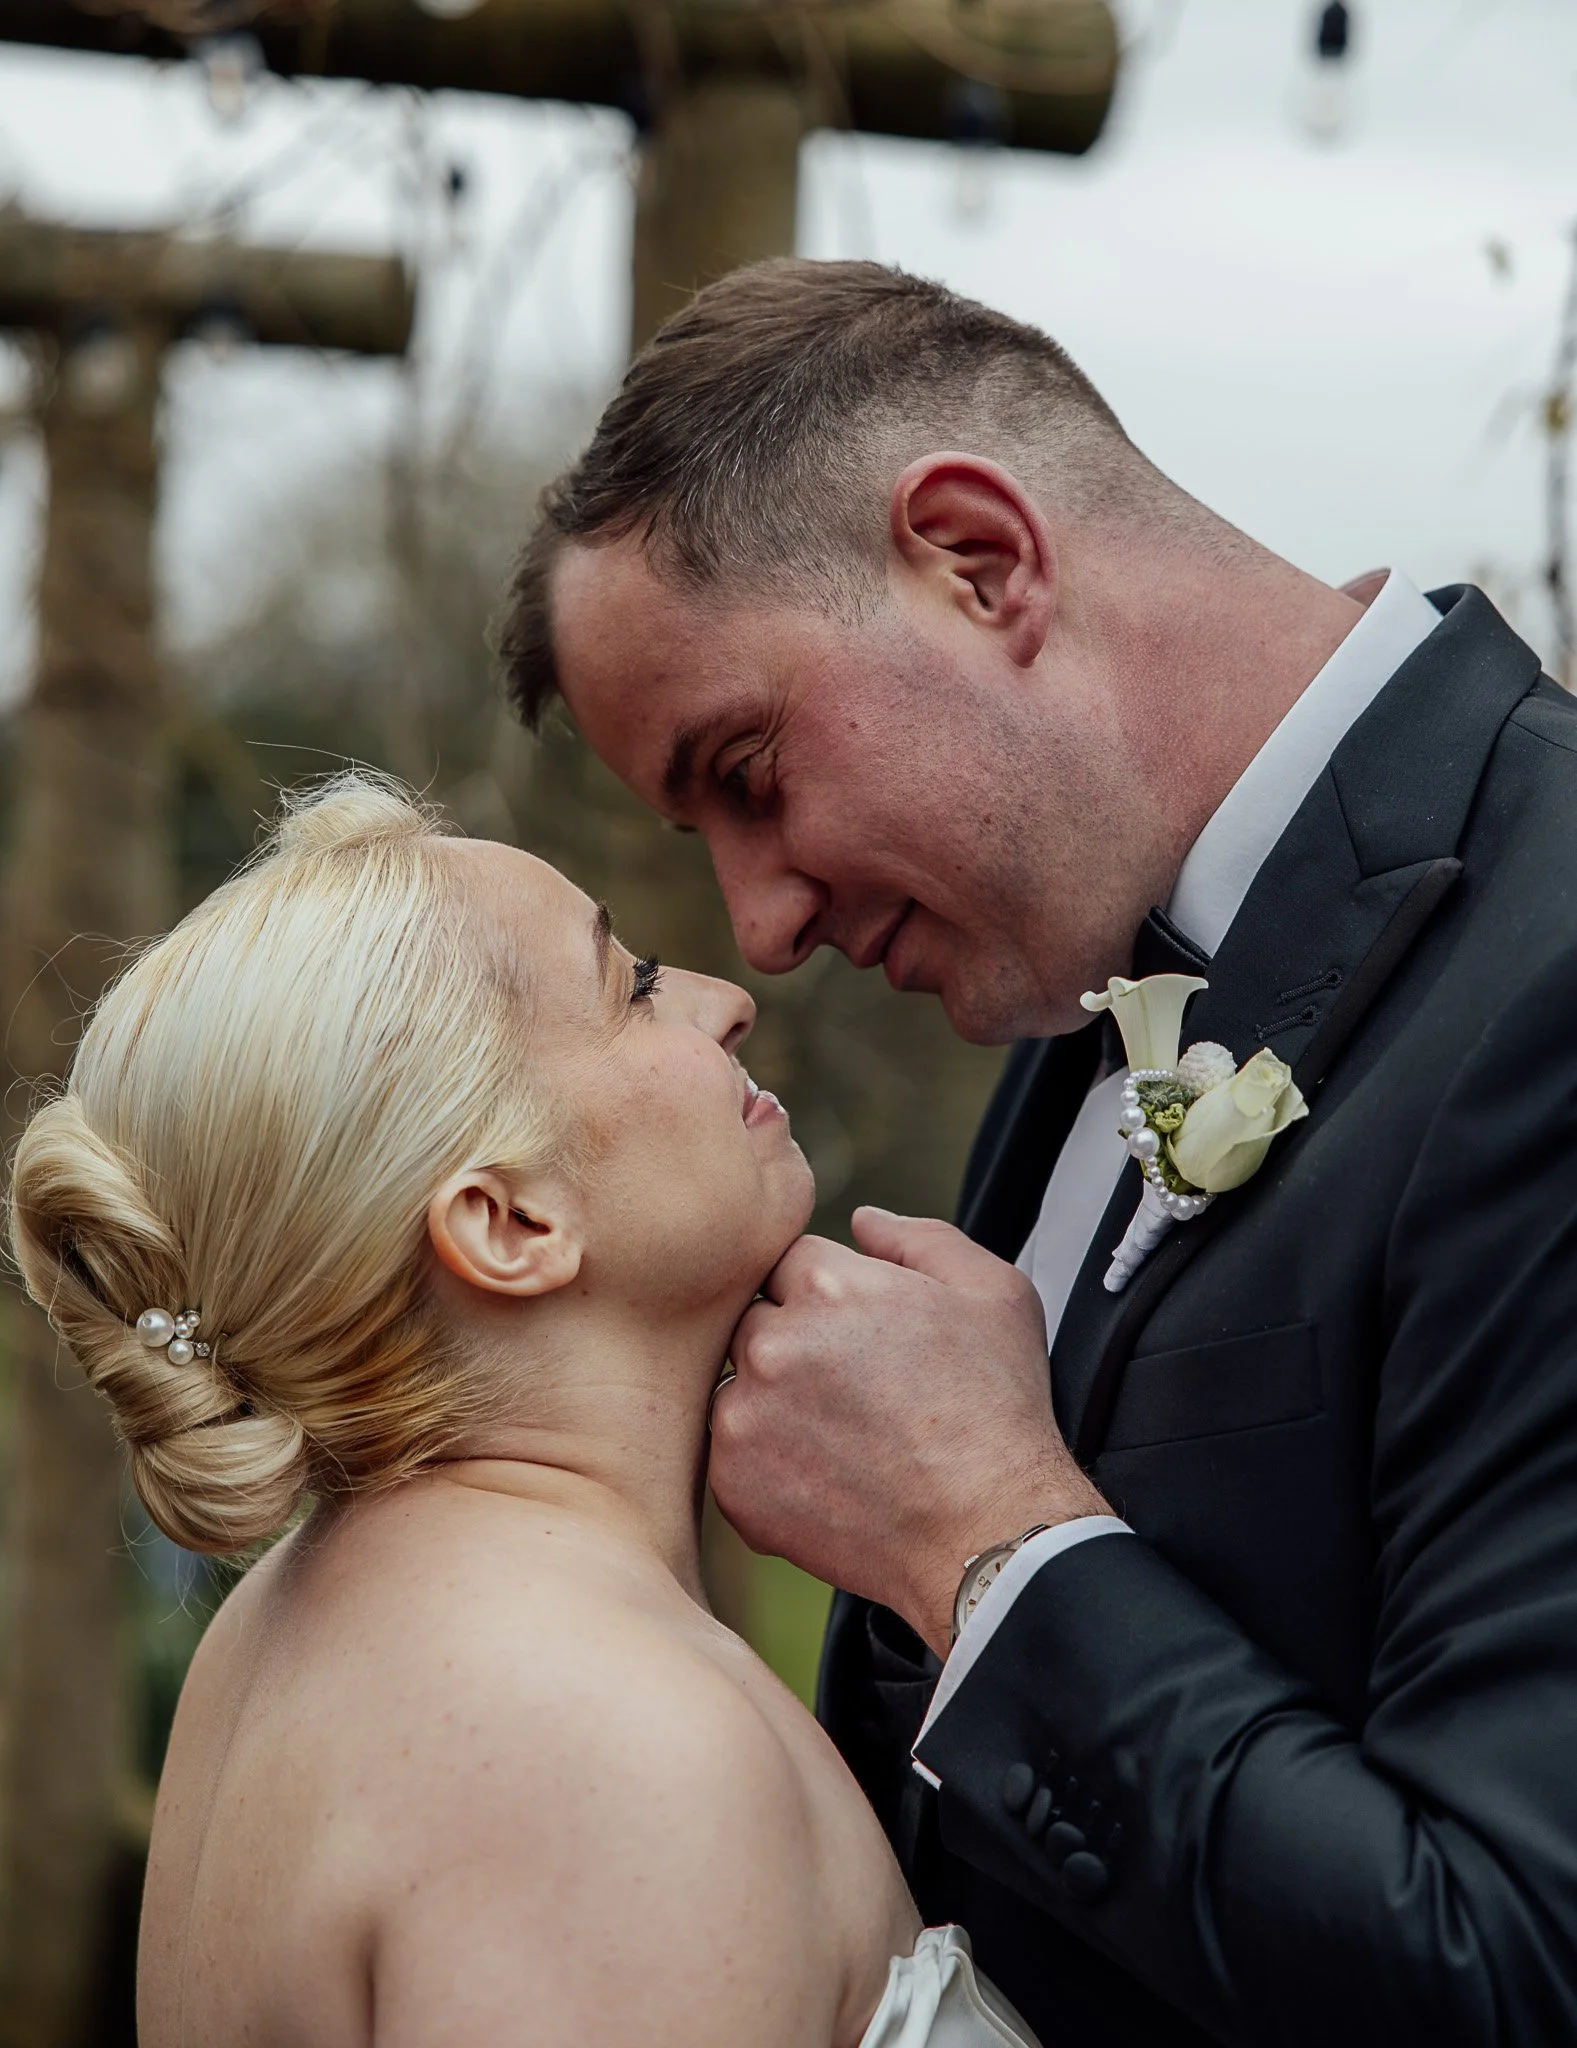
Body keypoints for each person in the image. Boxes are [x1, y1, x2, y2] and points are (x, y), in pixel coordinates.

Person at [499, 256, 1577, 2045]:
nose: (756, 929)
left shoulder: (1548, 960)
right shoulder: (1088, 968)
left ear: (978, 558)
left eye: (750, 770)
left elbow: (1517, 1966)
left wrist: (985, 1540)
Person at [6, 774, 1041, 2048]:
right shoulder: (605, 1749)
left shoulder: (279, 1630)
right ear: (508, 1223)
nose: (727, 1001)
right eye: (634, 985)